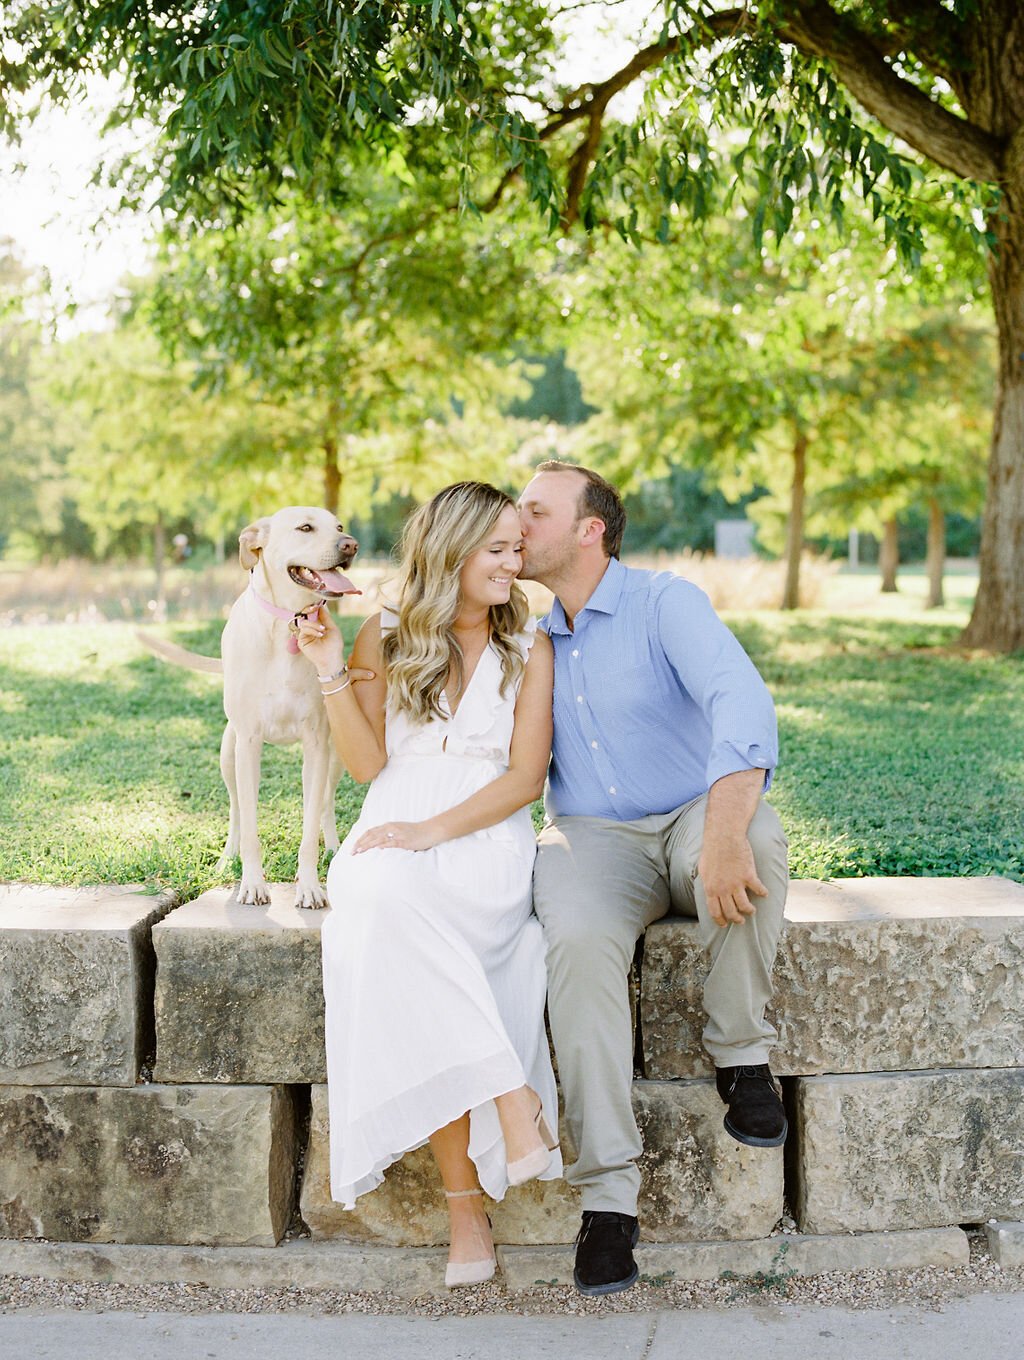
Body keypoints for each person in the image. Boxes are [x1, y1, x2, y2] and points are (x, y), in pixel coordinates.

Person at [517, 460, 789, 1298]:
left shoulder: (664, 603)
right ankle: (608, 1203)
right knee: (577, 945)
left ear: (588, 529)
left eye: (534, 511)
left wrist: (725, 829)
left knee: (759, 854)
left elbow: (742, 702)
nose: (516, 523)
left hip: (689, 811)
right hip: (591, 838)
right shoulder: (527, 635)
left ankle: (741, 1053)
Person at [293, 481, 562, 1290]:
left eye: (519, 548)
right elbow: (369, 765)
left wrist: (431, 832)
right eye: (499, 549)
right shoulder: (385, 633)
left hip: (481, 834)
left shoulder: (530, 647)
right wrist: (326, 667)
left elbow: (525, 779)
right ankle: (508, 1103)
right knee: (379, 898)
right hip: (393, 814)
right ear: (452, 549)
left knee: (405, 917)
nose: (515, 564)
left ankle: (466, 1207)